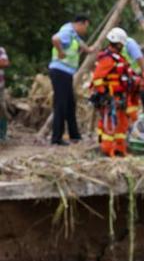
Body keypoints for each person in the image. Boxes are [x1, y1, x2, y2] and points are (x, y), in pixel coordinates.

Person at [90, 28, 135, 157]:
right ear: (119, 43)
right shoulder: (107, 59)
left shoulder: (118, 58)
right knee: (109, 124)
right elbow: (98, 78)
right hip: (111, 97)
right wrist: (104, 94)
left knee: (121, 124)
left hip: (120, 96)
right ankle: (107, 151)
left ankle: (120, 149)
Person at [49, 15, 91, 145]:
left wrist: (90, 50)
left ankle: (75, 135)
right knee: (61, 104)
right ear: (82, 23)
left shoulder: (72, 33)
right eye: (86, 27)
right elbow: (55, 39)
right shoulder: (67, 31)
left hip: (66, 73)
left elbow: (81, 44)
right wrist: (60, 52)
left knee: (70, 104)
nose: (86, 30)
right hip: (60, 71)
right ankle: (56, 138)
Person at [122, 35, 144, 129]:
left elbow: (139, 58)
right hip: (125, 78)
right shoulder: (117, 44)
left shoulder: (129, 43)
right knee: (128, 101)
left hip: (136, 75)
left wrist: (143, 74)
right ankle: (131, 124)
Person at [0, 45, 9, 142]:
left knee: (2, 108)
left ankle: (2, 135)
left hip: (0, 86)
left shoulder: (1, 50)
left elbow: (4, 63)